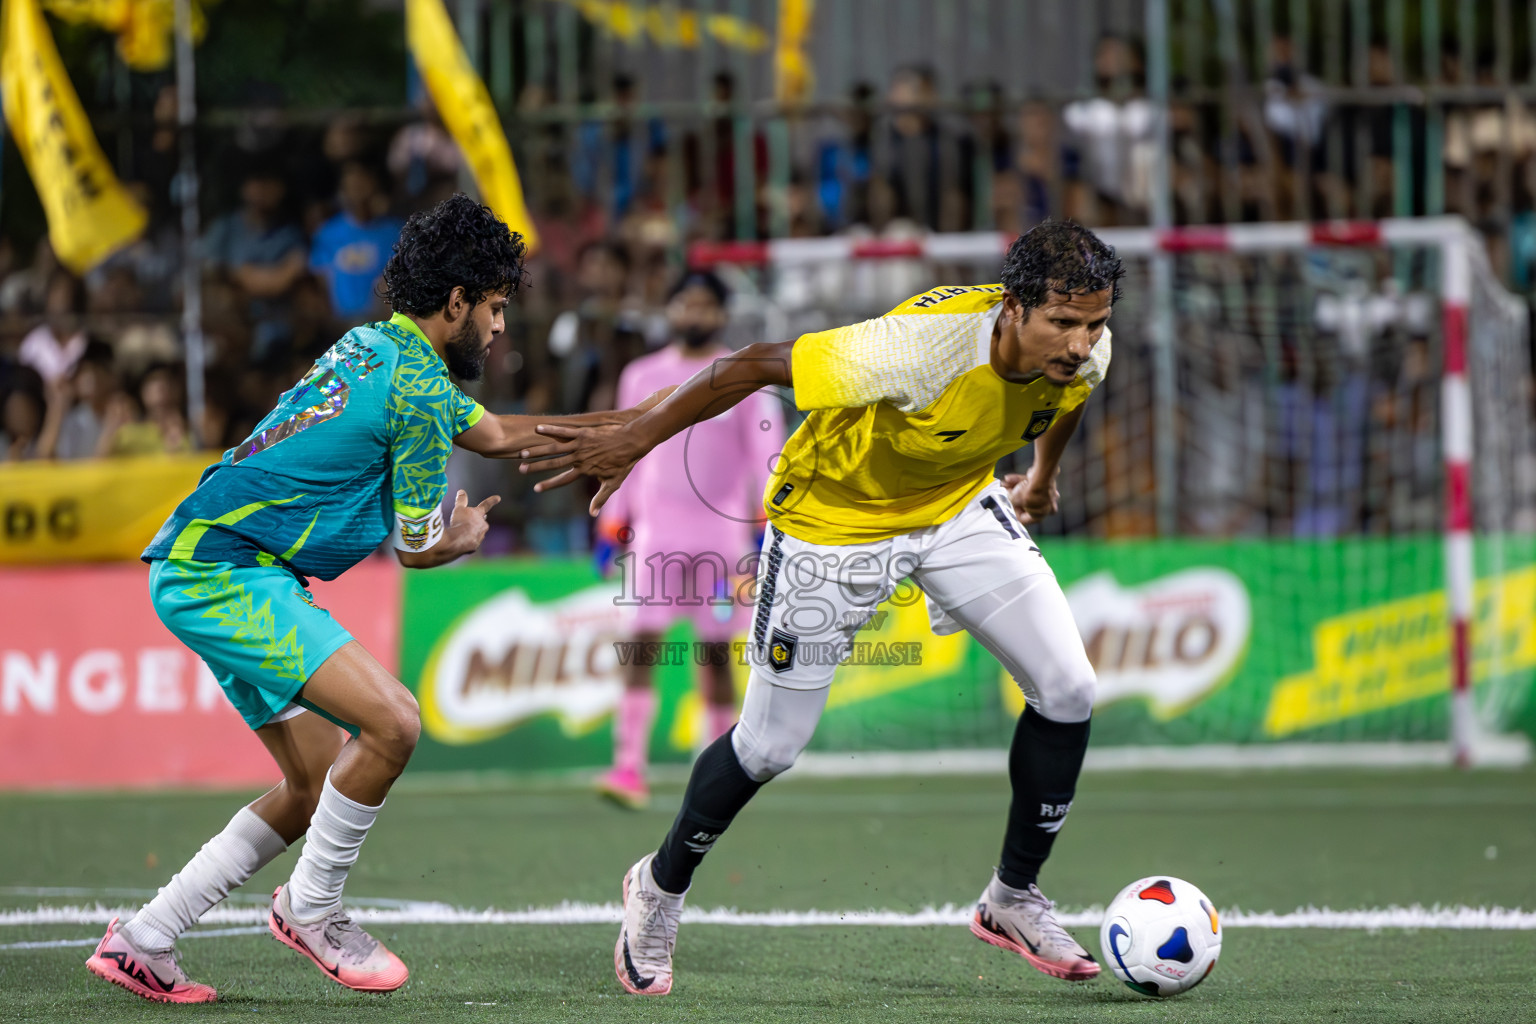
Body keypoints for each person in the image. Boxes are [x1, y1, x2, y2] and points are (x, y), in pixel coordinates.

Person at [85, 194, 659, 1005]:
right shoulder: (419, 391)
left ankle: (145, 939)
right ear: (456, 301)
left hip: (205, 557)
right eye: (494, 308)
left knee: (314, 788)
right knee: (393, 721)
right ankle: (311, 909)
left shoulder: (374, 345)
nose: (500, 328)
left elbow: (494, 434)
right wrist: (456, 541)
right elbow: (420, 550)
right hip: (228, 567)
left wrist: (631, 429)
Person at [525, 220, 1121, 996]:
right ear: (1012, 308)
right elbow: (749, 365)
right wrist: (635, 438)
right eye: (1064, 324)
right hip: (831, 524)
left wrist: (1039, 477)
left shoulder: (1086, 352)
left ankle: (1012, 898)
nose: (1081, 343)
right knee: (770, 747)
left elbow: (1066, 394)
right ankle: (658, 887)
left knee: (1071, 688)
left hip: (955, 508)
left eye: (1095, 324)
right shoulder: (917, 346)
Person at [593, 270, 783, 809]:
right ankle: (627, 767)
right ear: (670, 310)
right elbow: (622, 452)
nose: (694, 315)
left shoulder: (742, 376)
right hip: (655, 536)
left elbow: (764, 454)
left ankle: (714, 774)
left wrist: (769, 521)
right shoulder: (641, 375)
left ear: (721, 315)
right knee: (640, 647)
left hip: (722, 541)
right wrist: (611, 522)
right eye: (685, 304)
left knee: (715, 656)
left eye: (705, 306)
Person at [309, 161, 404, 323]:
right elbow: (321, 282)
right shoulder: (328, 233)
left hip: (382, 324)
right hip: (340, 324)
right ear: (342, 190)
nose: (358, 192)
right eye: (352, 186)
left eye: (363, 184)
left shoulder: (395, 231)